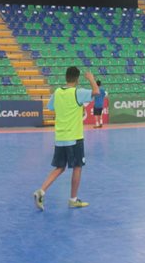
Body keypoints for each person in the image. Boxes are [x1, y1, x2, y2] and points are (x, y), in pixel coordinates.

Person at [33, 67, 99, 211]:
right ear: (77, 79)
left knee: (60, 167)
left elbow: (50, 107)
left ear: (66, 77)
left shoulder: (57, 92)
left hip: (60, 137)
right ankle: (73, 200)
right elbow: (96, 92)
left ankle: (41, 191)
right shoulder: (77, 92)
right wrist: (91, 79)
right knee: (77, 167)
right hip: (74, 137)